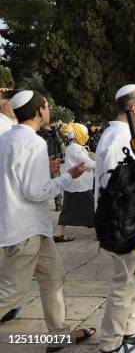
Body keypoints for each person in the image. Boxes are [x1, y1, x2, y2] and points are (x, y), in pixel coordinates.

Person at [0, 90, 95, 350]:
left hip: (32, 230)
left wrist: (46, 170)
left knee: (54, 278)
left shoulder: (7, 138)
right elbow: (36, 192)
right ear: (41, 109)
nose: (49, 111)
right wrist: (67, 177)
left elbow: (17, 178)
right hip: (25, 231)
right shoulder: (34, 142)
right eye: (48, 107)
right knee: (10, 293)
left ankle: (57, 335)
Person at [95, 84, 135, 353]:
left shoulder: (128, 134)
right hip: (123, 226)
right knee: (124, 285)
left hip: (133, 225)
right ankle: (111, 344)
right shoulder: (118, 137)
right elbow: (118, 188)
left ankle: (130, 330)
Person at [54, 123, 96, 240]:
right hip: (80, 184)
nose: (87, 136)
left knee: (67, 210)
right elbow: (86, 163)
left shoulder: (73, 147)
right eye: (85, 134)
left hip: (73, 183)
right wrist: (99, 163)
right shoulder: (76, 148)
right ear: (79, 135)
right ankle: (103, 232)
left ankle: (58, 234)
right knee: (93, 208)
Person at [38, 123, 65, 215]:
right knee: (56, 182)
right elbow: (61, 147)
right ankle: (58, 204)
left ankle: (45, 204)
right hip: (53, 159)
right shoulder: (54, 134)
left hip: (42, 160)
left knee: (41, 183)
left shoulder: (37, 133)